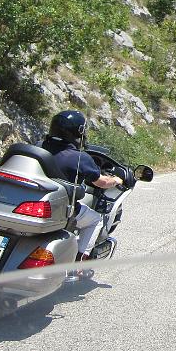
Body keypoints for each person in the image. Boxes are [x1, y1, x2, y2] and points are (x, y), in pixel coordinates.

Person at [40, 109, 122, 261]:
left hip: (36, 200)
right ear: (78, 133)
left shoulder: (40, 147)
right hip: (61, 208)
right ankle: (79, 261)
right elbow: (102, 182)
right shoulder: (80, 158)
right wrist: (116, 180)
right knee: (96, 220)